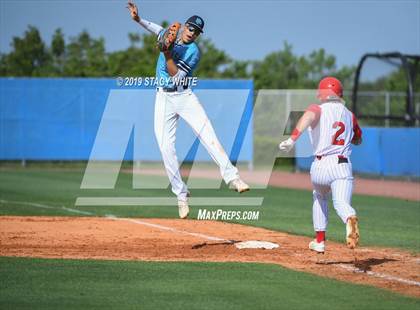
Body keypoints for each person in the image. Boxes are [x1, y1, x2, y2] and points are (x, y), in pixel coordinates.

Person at [127, 1, 250, 219]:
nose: (193, 33)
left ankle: (232, 178)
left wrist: (166, 54)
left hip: (184, 96)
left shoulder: (193, 52)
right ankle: (181, 194)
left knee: (207, 134)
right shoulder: (170, 35)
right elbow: (156, 29)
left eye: (197, 32)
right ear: (184, 26)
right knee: (165, 147)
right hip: (163, 98)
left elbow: (176, 76)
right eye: (191, 28)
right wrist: (138, 19)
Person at [279, 77, 362, 253]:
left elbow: (308, 117)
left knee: (319, 196)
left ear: (321, 94)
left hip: (321, 166)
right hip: (342, 165)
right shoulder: (349, 115)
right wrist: (348, 136)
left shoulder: (317, 108)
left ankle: (320, 241)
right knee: (341, 203)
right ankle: (349, 217)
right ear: (340, 95)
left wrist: (292, 139)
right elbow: (358, 139)